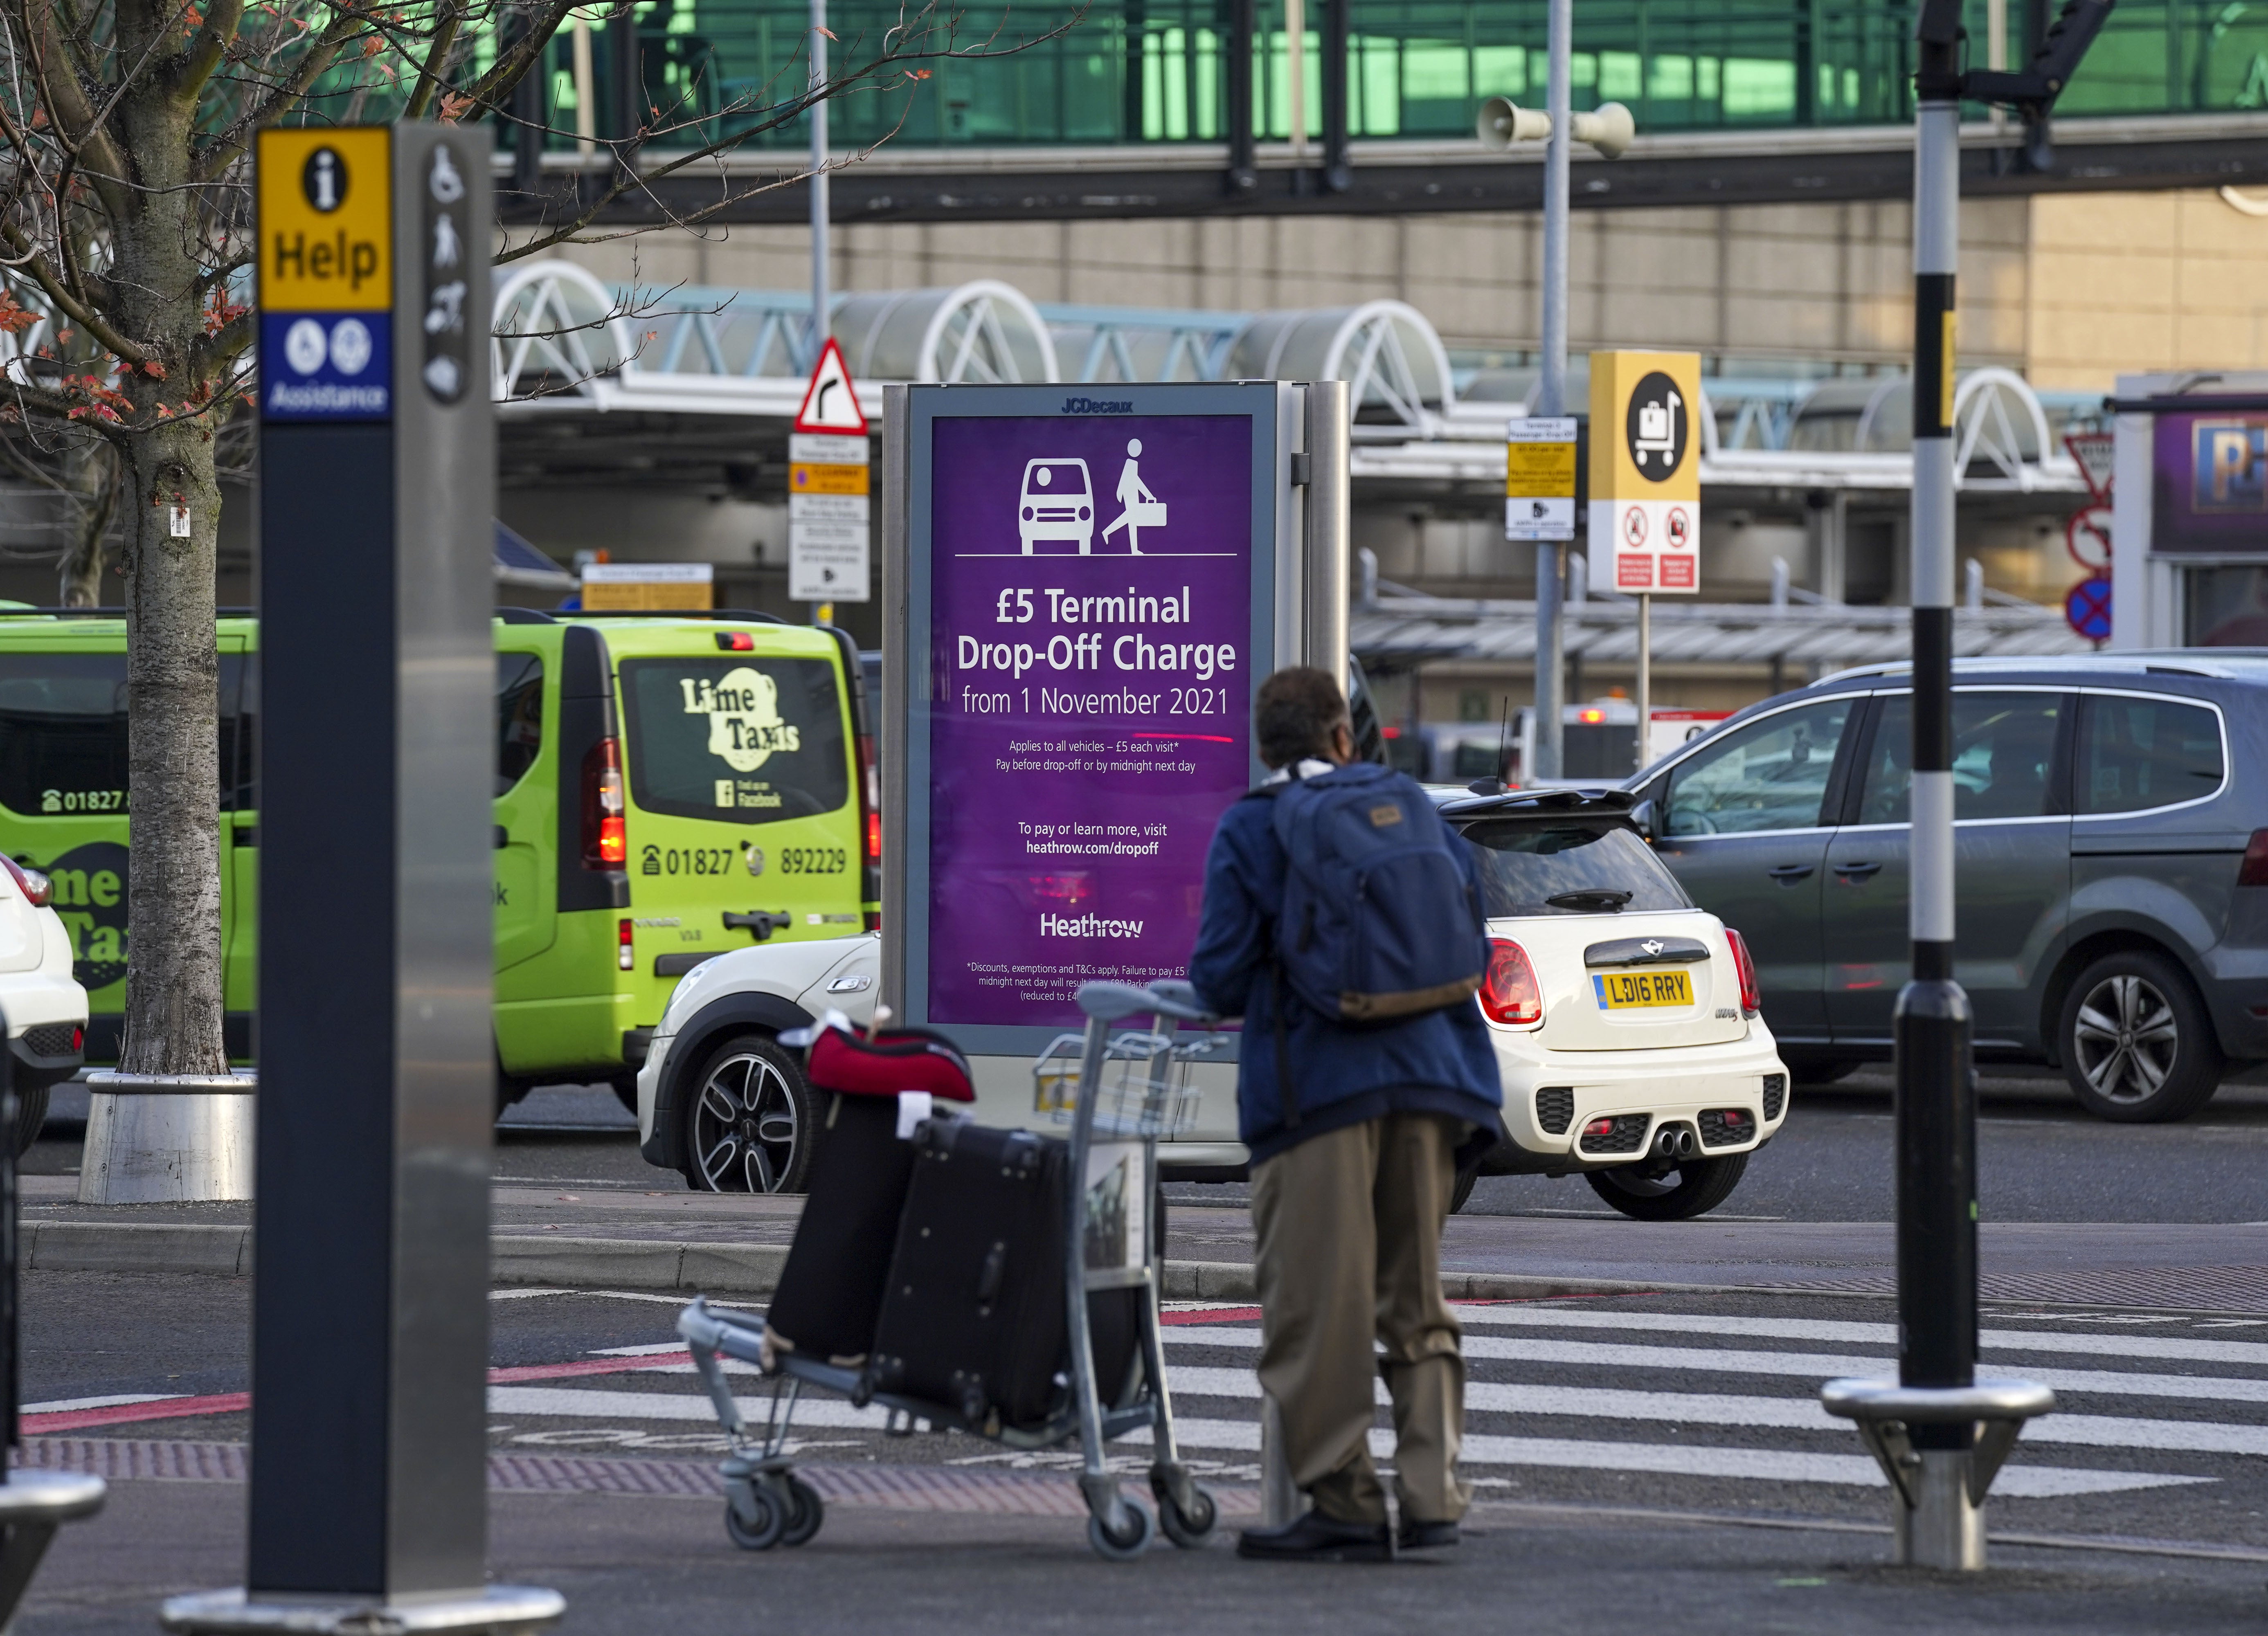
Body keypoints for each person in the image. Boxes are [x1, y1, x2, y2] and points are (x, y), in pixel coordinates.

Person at [1189, 667, 1503, 1563]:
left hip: (1317, 1094)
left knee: (1317, 1307)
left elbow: (1216, 974)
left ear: (1266, 744)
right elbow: (1470, 936)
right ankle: (1435, 1493)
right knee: (1416, 1295)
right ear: (1342, 736)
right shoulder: (1409, 805)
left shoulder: (1253, 828)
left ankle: (1346, 1499)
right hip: (1437, 1085)